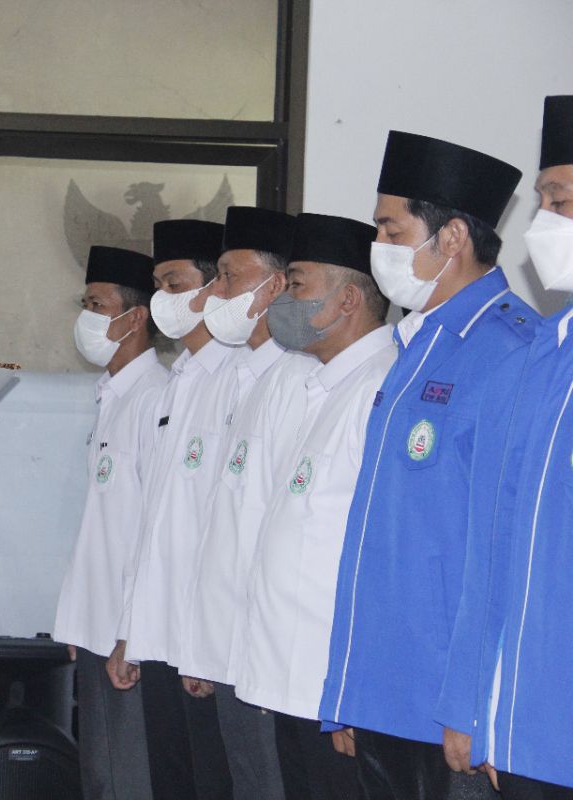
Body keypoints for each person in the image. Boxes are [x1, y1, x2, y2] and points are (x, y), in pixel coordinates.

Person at [317, 131, 538, 800]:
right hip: (385, 692)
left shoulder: (512, 350)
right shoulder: (414, 346)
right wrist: (346, 690)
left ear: (452, 239)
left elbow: (505, 547)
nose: (377, 244)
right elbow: (371, 538)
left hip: (449, 710)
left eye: (391, 228)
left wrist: (475, 703)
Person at [437, 95, 573, 800]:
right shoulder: (534, 362)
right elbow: (489, 550)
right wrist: (474, 703)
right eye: (544, 201)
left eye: (561, 200)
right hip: (526, 727)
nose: (543, 223)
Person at [234, 212, 389, 800]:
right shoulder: (321, 382)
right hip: (287, 671)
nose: (283, 300)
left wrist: (355, 686)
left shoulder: (380, 386)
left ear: (348, 299)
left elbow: (377, 551)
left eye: (295, 286)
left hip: (332, 684)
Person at [180, 205, 314, 800]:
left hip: (261, 651)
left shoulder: (297, 379)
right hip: (224, 645)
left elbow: (275, 531)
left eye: (230, 277)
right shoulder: (238, 375)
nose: (217, 293)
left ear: (276, 286)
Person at [110, 218, 236, 800]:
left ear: (215, 288)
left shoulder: (240, 381)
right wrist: (130, 630)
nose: (164, 298)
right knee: (171, 783)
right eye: (158, 284)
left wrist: (202, 645)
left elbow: (226, 526)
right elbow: (152, 525)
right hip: (158, 633)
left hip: (204, 643)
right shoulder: (173, 383)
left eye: (175, 282)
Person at [54, 244, 166, 800]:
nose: (87, 317)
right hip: (97, 627)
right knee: (101, 780)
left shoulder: (156, 398)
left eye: (97, 304)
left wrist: (130, 632)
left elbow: (153, 528)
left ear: (135, 317)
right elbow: (101, 523)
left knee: (131, 780)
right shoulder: (112, 396)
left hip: (127, 635)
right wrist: (79, 620)